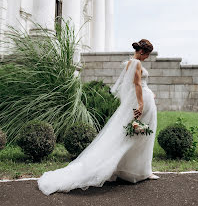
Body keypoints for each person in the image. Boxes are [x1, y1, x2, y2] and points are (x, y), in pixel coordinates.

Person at [37, 39, 159, 196]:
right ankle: (140, 170)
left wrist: (148, 93)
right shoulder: (136, 64)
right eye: (147, 55)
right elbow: (136, 85)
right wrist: (141, 105)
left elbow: (135, 85)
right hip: (142, 103)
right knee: (138, 136)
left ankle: (136, 170)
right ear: (142, 52)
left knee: (135, 136)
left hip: (143, 99)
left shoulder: (129, 62)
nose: (147, 58)